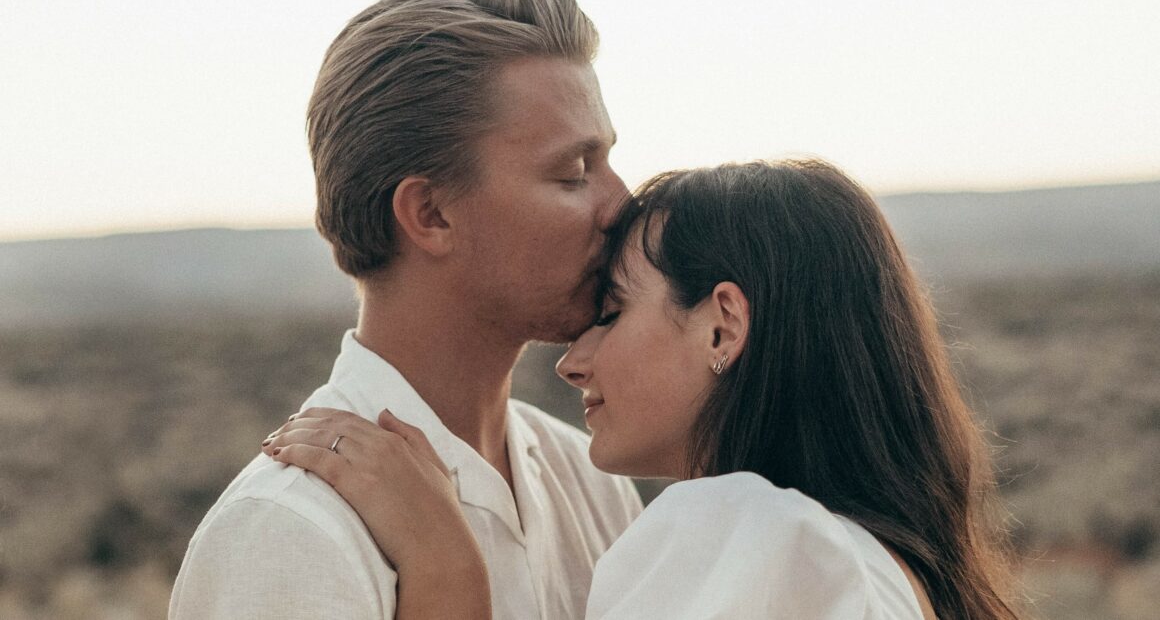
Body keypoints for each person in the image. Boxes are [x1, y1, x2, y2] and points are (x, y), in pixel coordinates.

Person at [263, 160, 1023, 619]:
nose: (572, 361)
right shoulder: (880, 563)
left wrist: (447, 574)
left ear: (722, 325)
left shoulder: (749, 535)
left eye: (613, 312)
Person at [169, 0, 643, 619]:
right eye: (573, 172)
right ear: (431, 214)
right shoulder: (289, 532)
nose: (623, 203)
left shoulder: (590, 479)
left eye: (608, 162)